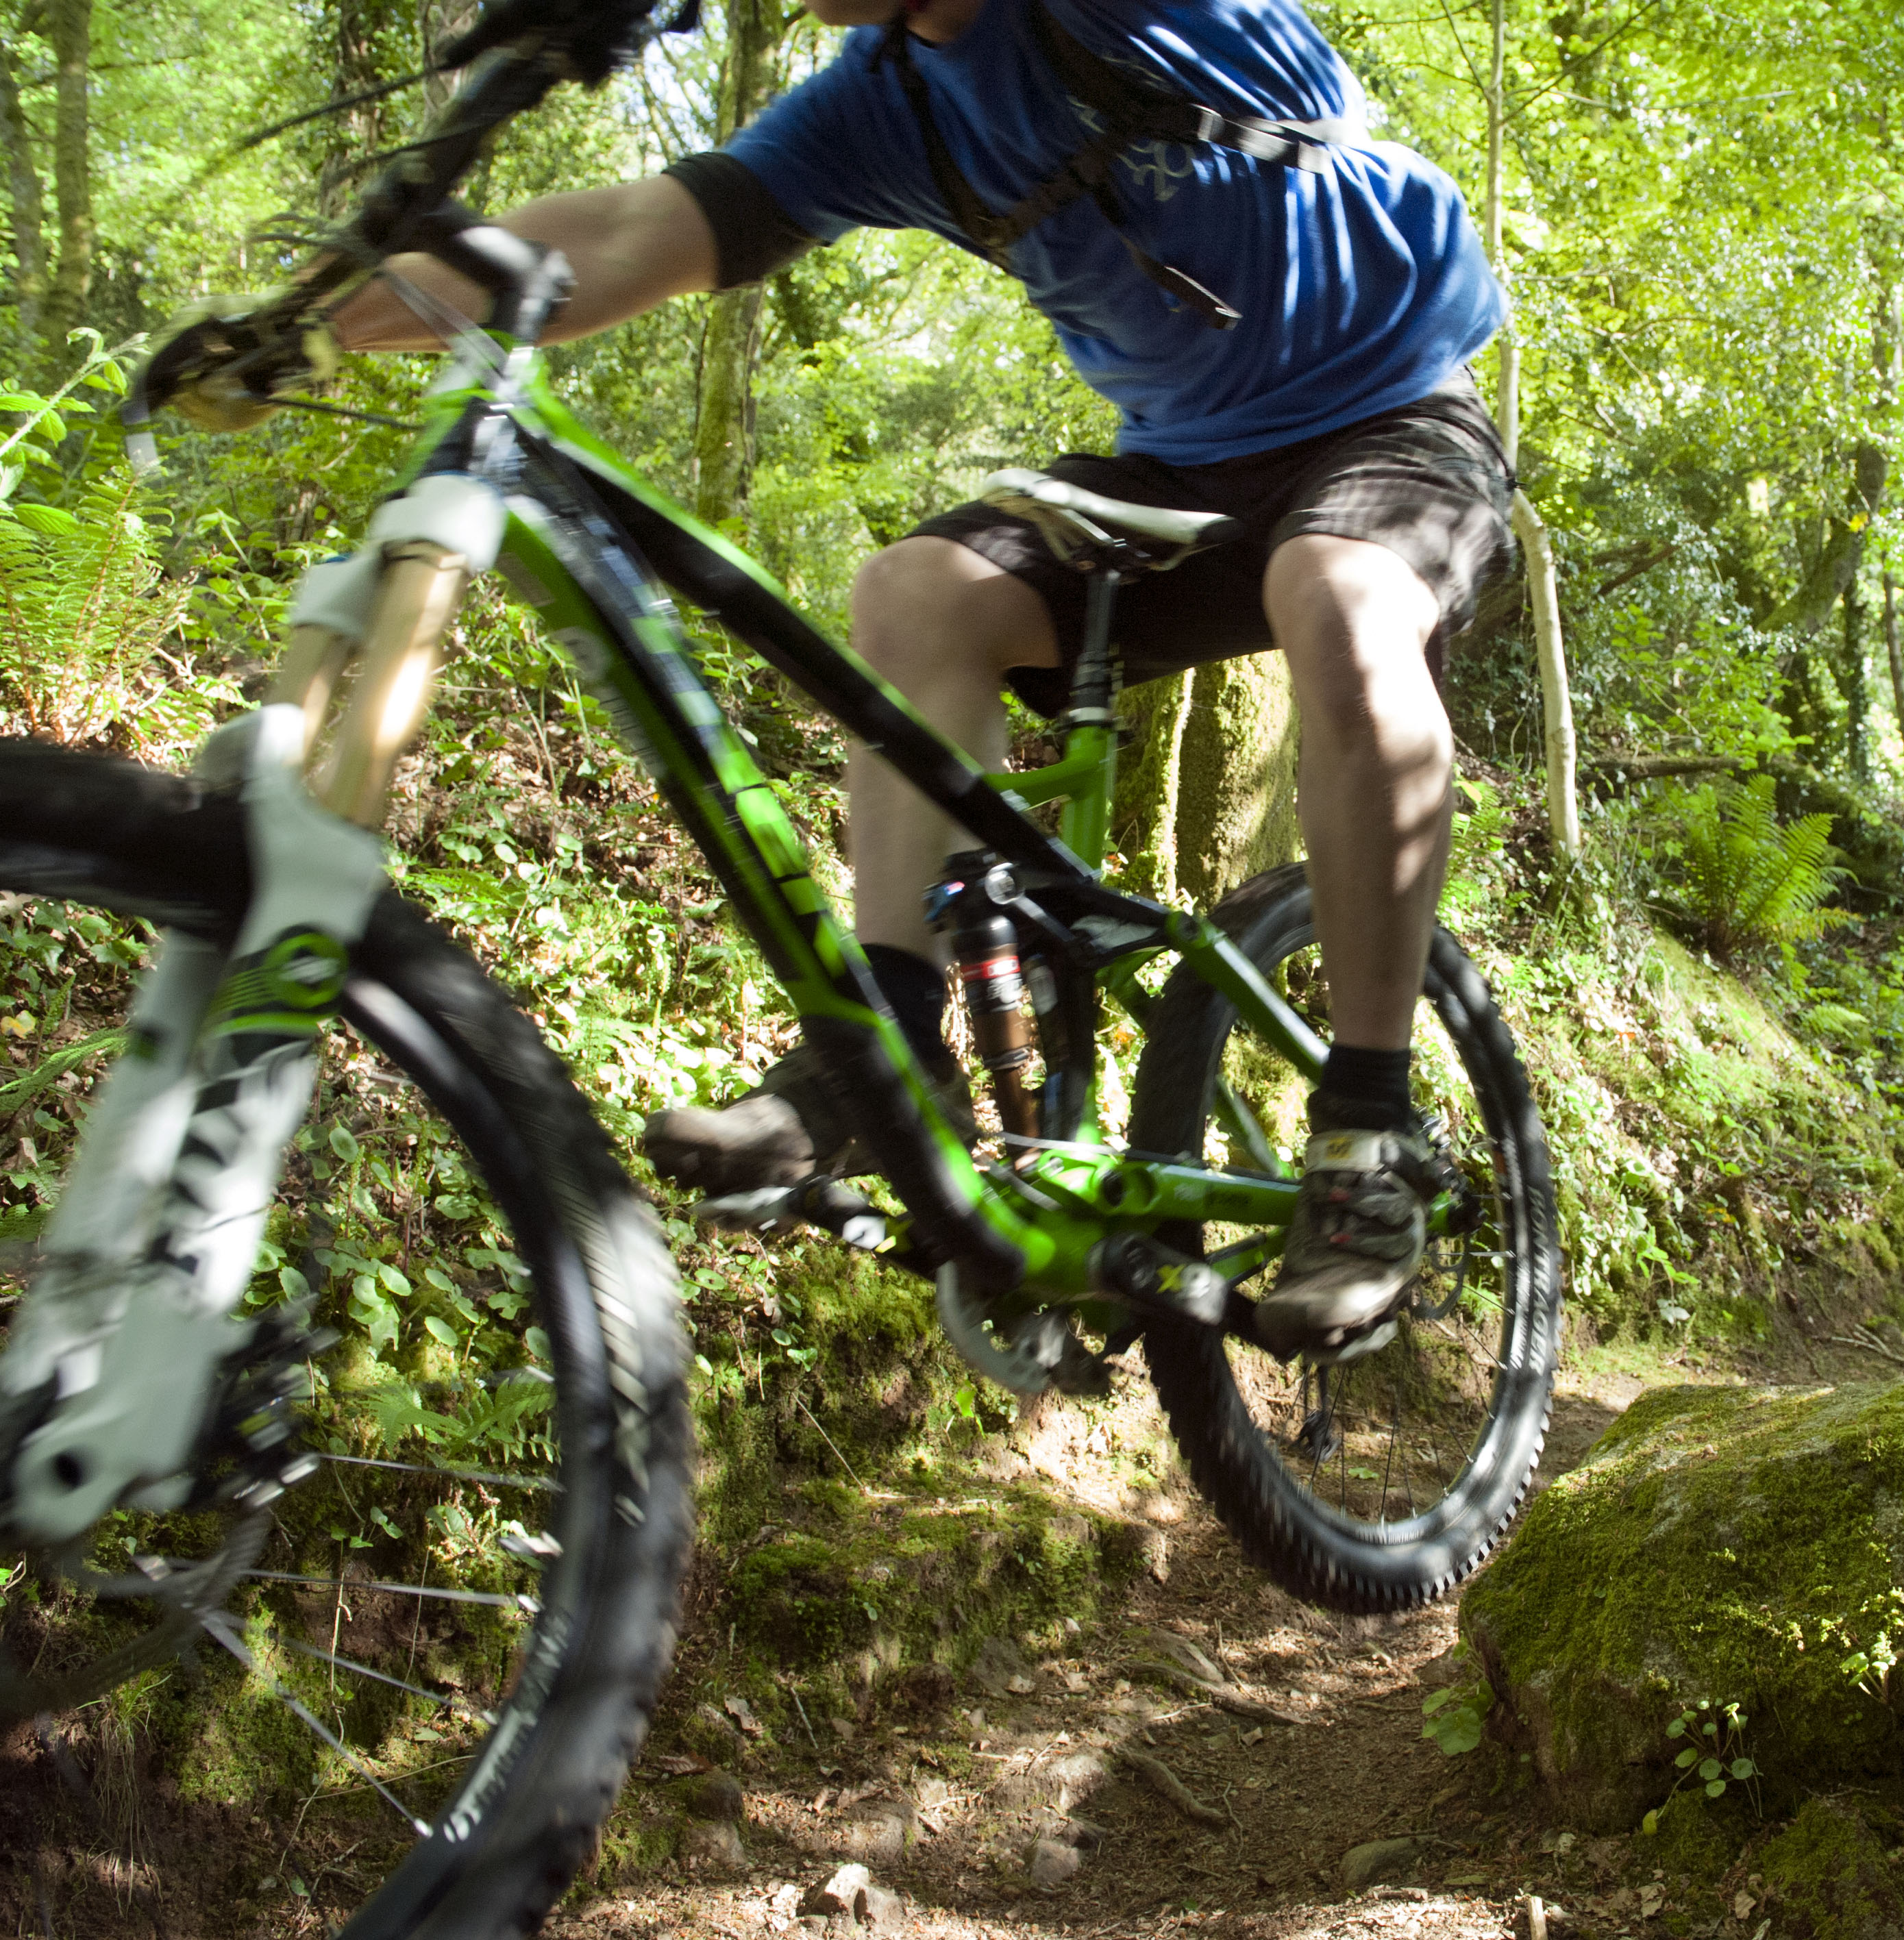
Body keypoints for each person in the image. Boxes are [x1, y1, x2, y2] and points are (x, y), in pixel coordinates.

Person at [319, 0, 1513, 1360]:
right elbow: (634, 233)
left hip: (1396, 420)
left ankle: (1366, 1135)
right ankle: (884, 1054)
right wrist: (309, 318)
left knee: (1341, 597)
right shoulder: (881, 104)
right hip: (1178, 461)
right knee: (914, 595)